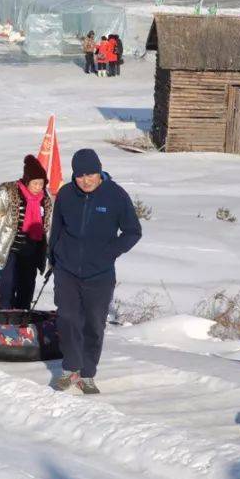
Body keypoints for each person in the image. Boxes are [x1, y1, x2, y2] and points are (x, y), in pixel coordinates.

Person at [49, 149, 142, 394]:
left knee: (93, 324)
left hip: (99, 273)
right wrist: (53, 257)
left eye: (90, 174)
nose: (85, 180)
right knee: (67, 318)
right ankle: (70, 370)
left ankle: (87, 373)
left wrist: (110, 251)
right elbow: (56, 228)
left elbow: (133, 231)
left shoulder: (116, 195)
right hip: (67, 269)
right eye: (80, 175)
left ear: (99, 171)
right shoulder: (67, 194)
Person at [0, 155, 51, 310]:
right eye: (35, 183)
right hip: (11, 248)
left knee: (27, 285)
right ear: (27, 180)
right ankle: (5, 313)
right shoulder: (9, 193)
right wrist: (5, 230)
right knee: (8, 284)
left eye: (41, 183)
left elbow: (46, 223)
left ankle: (23, 314)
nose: (38, 187)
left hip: (33, 249)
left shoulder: (45, 199)